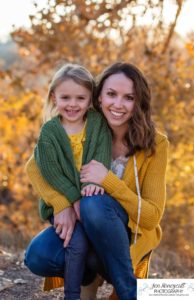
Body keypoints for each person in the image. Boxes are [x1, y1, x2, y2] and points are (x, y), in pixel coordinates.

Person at [25, 62, 169, 300]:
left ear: (138, 102)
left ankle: (129, 290)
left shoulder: (156, 144)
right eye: (111, 94)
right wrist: (61, 203)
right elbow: (34, 166)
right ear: (99, 96)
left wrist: (108, 180)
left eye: (129, 97)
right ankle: (88, 276)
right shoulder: (81, 126)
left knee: (94, 203)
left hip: (126, 234)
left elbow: (152, 216)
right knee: (39, 255)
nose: (118, 104)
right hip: (84, 228)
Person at [25, 63, 112, 300]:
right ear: (54, 97)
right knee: (76, 242)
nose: (73, 104)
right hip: (61, 202)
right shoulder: (49, 132)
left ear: (90, 99)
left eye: (80, 98)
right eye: (65, 97)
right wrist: (72, 200)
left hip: (91, 198)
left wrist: (89, 188)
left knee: (94, 249)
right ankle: (71, 296)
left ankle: (126, 287)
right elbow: (49, 171)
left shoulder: (97, 124)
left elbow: (102, 154)